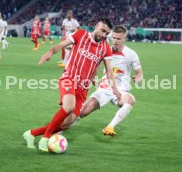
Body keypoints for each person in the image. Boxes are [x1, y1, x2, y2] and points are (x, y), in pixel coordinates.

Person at [23, 18, 121, 152]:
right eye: (102, 30)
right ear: (97, 26)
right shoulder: (81, 34)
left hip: (83, 88)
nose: (103, 35)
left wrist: (115, 89)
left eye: (106, 33)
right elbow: (61, 45)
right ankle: (45, 139)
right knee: (69, 107)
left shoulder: (105, 49)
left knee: (66, 124)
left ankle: (31, 134)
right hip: (69, 78)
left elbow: (109, 72)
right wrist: (50, 52)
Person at [77, 25, 143, 136]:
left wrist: (138, 78)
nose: (115, 41)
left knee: (130, 100)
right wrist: (94, 80)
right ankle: (61, 128)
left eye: (118, 38)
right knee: (82, 112)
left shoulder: (131, 54)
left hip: (121, 90)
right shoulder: (104, 50)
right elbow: (94, 67)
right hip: (104, 89)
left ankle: (109, 127)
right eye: (114, 38)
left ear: (125, 39)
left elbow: (139, 73)